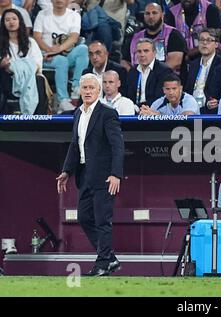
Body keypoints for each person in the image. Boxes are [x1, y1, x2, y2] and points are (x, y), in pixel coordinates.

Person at [56, 73, 124, 276]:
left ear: (98, 90)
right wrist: (67, 171)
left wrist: (116, 174)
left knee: (102, 220)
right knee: (84, 217)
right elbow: (75, 145)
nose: (87, 91)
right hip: (84, 175)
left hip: (105, 177)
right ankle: (110, 257)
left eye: (91, 88)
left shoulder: (107, 113)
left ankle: (103, 263)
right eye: (84, 88)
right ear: (80, 90)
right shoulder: (78, 113)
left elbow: (117, 146)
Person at [33, 0, 89, 113]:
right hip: (46, 56)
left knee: (83, 49)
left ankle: (76, 87)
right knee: (61, 60)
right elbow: (37, 37)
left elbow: (74, 37)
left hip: (65, 53)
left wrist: (58, 49)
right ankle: (63, 99)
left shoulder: (74, 15)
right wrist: (49, 51)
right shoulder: (42, 14)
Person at [0, 8, 43, 114]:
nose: (11, 22)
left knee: (39, 80)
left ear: (20, 21)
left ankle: (39, 118)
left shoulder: (31, 42)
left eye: (14, 19)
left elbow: (37, 63)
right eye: (7, 20)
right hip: (8, 77)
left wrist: (21, 67)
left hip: (30, 77)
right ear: (3, 24)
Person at [184, 28, 221, 114]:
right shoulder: (193, 64)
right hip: (192, 109)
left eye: (209, 40)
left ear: (216, 44)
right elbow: (187, 90)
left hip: (212, 110)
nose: (204, 43)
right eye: (201, 40)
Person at [126, 38, 173, 107]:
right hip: (134, 110)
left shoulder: (164, 71)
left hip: (155, 111)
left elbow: (160, 98)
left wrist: (139, 107)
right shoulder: (133, 71)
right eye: (139, 51)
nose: (142, 55)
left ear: (154, 53)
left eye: (146, 51)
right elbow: (129, 95)